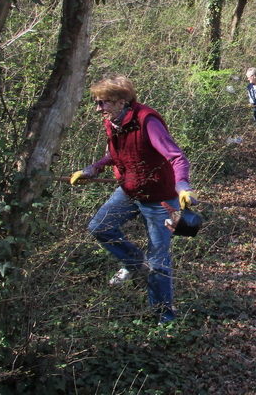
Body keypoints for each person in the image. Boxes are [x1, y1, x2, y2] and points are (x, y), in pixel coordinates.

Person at [70, 76, 194, 324]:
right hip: (128, 191)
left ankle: (164, 317)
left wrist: (182, 187)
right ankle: (136, 264)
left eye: (103, 103)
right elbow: (114, 154)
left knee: (159, 261)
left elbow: (177, 157)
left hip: (160, 199)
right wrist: (93, 169)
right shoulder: (113, 123)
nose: (98, 109)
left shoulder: (147, 121)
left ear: (122, 101)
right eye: (96, 102)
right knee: (99, 227)